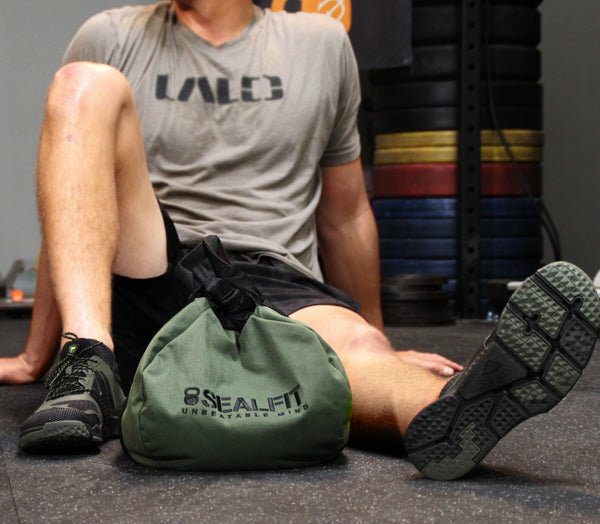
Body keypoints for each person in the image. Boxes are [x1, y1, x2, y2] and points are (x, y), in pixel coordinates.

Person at [1, 0, 598, 480]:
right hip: (156, 261)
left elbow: (345, 215)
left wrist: (381, 337)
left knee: (356, 352)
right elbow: (74, 204)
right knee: (84, 84)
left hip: (271, 272)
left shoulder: (320, 42)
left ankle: (443, 415)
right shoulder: (109, 33)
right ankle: (88, 363)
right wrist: (36, 355)